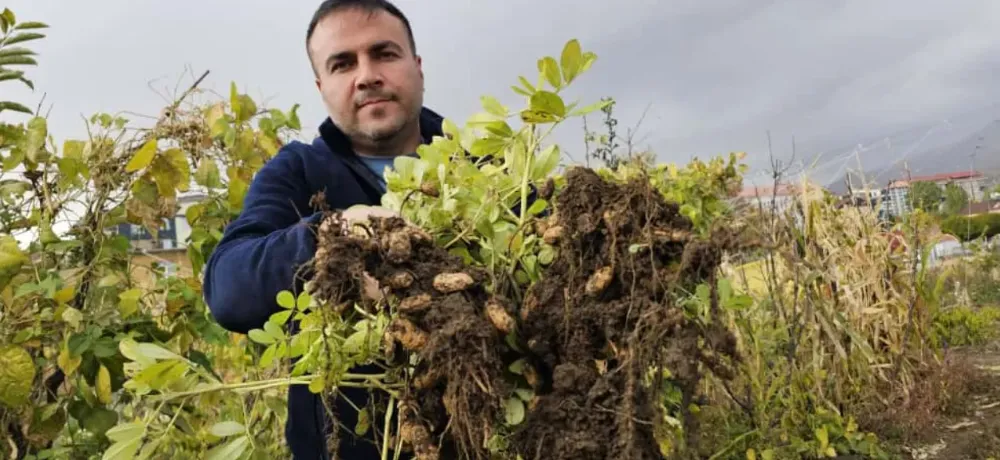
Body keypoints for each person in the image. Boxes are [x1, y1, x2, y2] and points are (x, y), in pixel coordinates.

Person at [203, 1, 440, 458]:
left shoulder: (486, 166)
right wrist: (332, 238)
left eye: (384, 54)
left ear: (417, 66)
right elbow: (228, 289)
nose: (367, 75)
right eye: (343, 63)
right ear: (322, 86)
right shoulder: (297, 172)